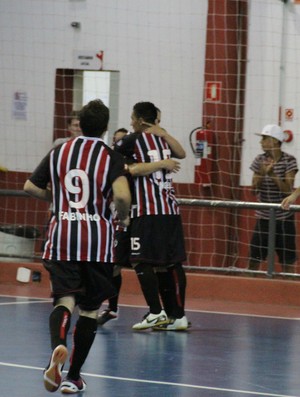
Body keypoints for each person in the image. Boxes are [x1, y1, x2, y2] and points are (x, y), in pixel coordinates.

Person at [23, 99, 131, 394]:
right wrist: (124, 216)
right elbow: (121, 195)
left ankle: (58, 346)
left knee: (65, 299)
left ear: (79, 124)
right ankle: (73, 376)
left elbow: (30, 186)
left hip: (63, 236)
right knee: (90, 310)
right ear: (106, 127)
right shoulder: (111, 156)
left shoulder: (60, 150)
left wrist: (58, 202)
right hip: (96, 241)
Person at [115, 101, 188, 331]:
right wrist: (163, 154)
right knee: (168, 263)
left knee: (140, 260)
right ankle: (177, 316)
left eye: (132, 117)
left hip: (147, 210)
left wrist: (153, 164)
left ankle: (156, 312)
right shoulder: (163, 139)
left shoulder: (131, 140)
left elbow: (127, 167)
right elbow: (181, 153)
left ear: (138, 120)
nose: (130, 122)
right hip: (169, 209)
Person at [248, 124, 298, 274]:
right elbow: (253, 190)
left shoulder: (289, 161)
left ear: (275, 141)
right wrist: (262, 173)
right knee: (254, 260)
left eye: (264, 138)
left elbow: (288, 190)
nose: (261, 142)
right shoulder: (259, 160)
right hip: (263, 218)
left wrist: (273, 175)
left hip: (284, 218)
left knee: (287, 262)